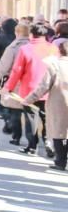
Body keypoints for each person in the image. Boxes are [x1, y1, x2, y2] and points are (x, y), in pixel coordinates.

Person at [5, 23, 58, 154]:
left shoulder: (26, 49)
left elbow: (17, 70)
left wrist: (9, 87)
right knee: (47, 118)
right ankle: (48, 142)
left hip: (29, 89)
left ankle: (32, 146)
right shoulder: (53, 48)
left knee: (31, 118)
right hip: (49, 89)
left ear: (31, 34)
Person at [24, 40, 68, 170]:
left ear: (60, 51)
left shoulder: (55, 65)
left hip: (58, 102)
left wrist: (29, 99)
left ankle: (60, 161)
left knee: (59, 131)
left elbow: (43, 86)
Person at [0, 22, 30, 145]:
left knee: (15, 111)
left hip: (15, 83)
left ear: (17, 33)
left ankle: (16, 137)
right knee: (31, 113)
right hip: (32, 84)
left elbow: (3, 67)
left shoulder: (13, 47)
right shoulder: (32, 46)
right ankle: (33, 142)